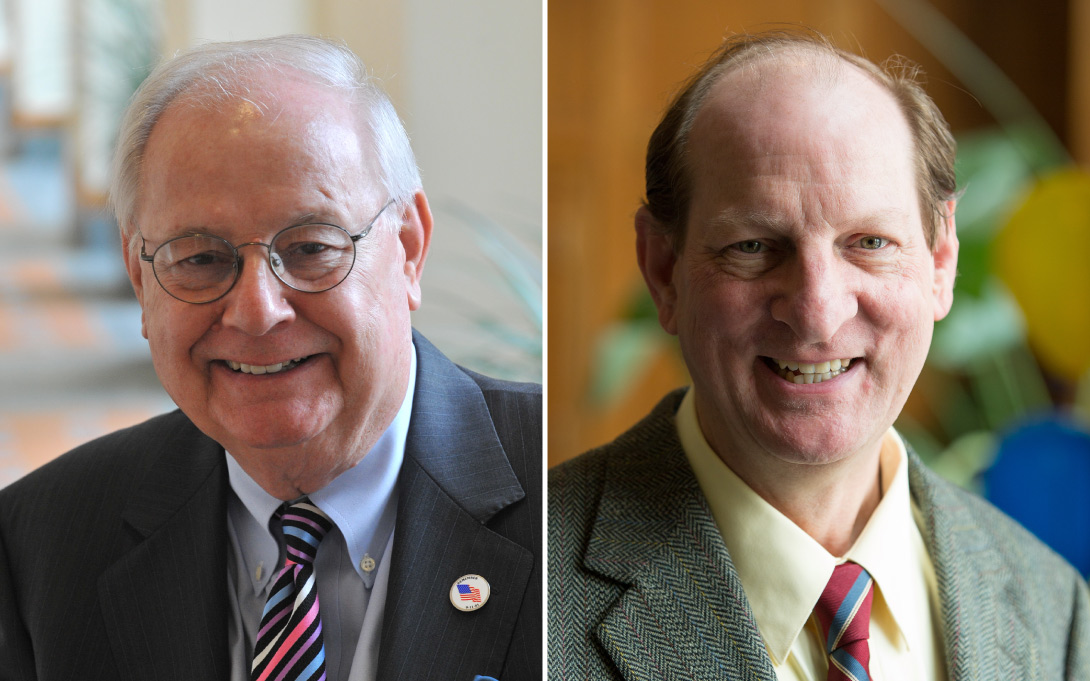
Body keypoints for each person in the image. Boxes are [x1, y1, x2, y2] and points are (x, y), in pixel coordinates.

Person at [548, 30, 1089, 680]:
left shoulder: (1056, 610)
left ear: (940, 263)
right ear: (663, 270)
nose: (817, 312)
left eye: (868, 241)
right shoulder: (530, 584)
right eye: (753, 245)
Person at [0, 35, 540, 681]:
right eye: (199, 257)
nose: (257, 311)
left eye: (311, 247)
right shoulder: (40, 541)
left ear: (409, 249)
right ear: (142, 283)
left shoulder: (563, 497)